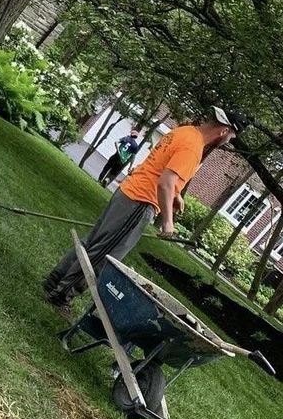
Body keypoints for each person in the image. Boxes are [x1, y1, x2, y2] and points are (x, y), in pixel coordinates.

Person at [43, 107, 245, 311]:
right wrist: (168, 221)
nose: (228, 141)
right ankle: (61, 295)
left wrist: (175, 194)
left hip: (129, 191)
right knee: (104, 254)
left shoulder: (185, 132)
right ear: (223, 131)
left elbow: (161, 168)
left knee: (94, 242)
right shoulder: (193, 148)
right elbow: (165, 182)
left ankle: (54, 281)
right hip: (140, 203)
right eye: (231, 137)